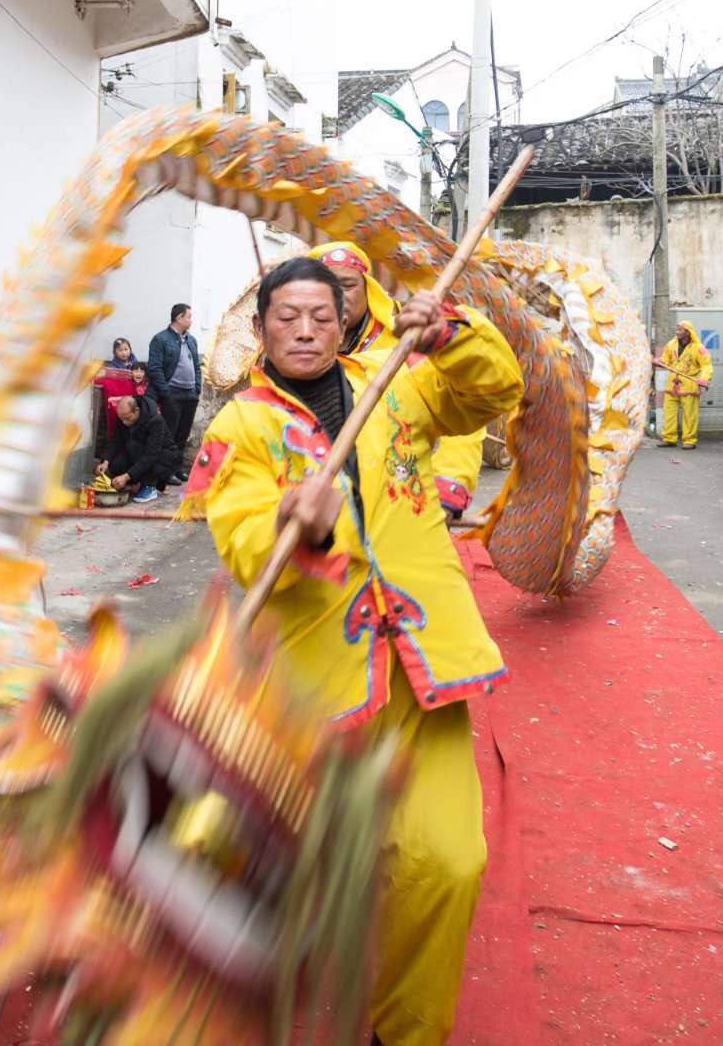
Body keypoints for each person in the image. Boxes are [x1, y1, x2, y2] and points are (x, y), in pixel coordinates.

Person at [194, 257, 523, 1045]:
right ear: (260, 327)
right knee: (244, 855)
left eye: (320, 314)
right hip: (313, 687)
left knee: (446, 864)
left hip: (423, 672)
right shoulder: (238, 426)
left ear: (344, 321)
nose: (305, 329)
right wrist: (289, 523)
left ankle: (403, 1032)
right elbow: (240, 540)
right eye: (286, 316)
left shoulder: (396, 384)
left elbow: (492, 393)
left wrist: (451, 335)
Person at [310, 240, 484, 516]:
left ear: (368, 288)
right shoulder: (296, 350)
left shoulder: (406, 345)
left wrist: (448, 486)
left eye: (347, 285)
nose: (337, 296)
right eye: (324, 287)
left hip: (398, 503)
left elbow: (463, 419)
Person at [146, 303, 201, 485]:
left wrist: (197, 388)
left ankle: (177, 468)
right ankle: (165, 472)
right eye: (189, 317)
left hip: (190, 395)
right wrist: (166, 393)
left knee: (182, 435)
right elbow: (154, 369)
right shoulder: (160, 339)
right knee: (168, 435)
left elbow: (196, 367)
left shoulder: (191, 340)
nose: (191, 320)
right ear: (178, 318)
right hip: (172, 394)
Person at [99, 394, 171, 504]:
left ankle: (150, 487)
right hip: (135, 455)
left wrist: (126, 476)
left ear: (136, 410)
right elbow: (116, 440)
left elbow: (152, 455)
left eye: (127, 418)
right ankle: (135, 485)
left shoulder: (155, 421)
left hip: (158, 460)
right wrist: (105, 461)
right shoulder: (124, 416)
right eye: (121, 419)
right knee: (116, 465)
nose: (124, 422)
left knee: (134, 446)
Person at [655, 320, 713, 449]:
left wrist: (704, 378)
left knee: (690, 414)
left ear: (688, 332)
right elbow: (666, 359)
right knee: (668, 412)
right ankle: (669, 438)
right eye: (677, 329)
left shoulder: (698, 348)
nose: (677, 332)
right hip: (672, 383)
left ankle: (689, 440)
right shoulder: (671, 344)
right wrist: (659, 361)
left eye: (680, 329)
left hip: (689, 384)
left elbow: (706, 365)